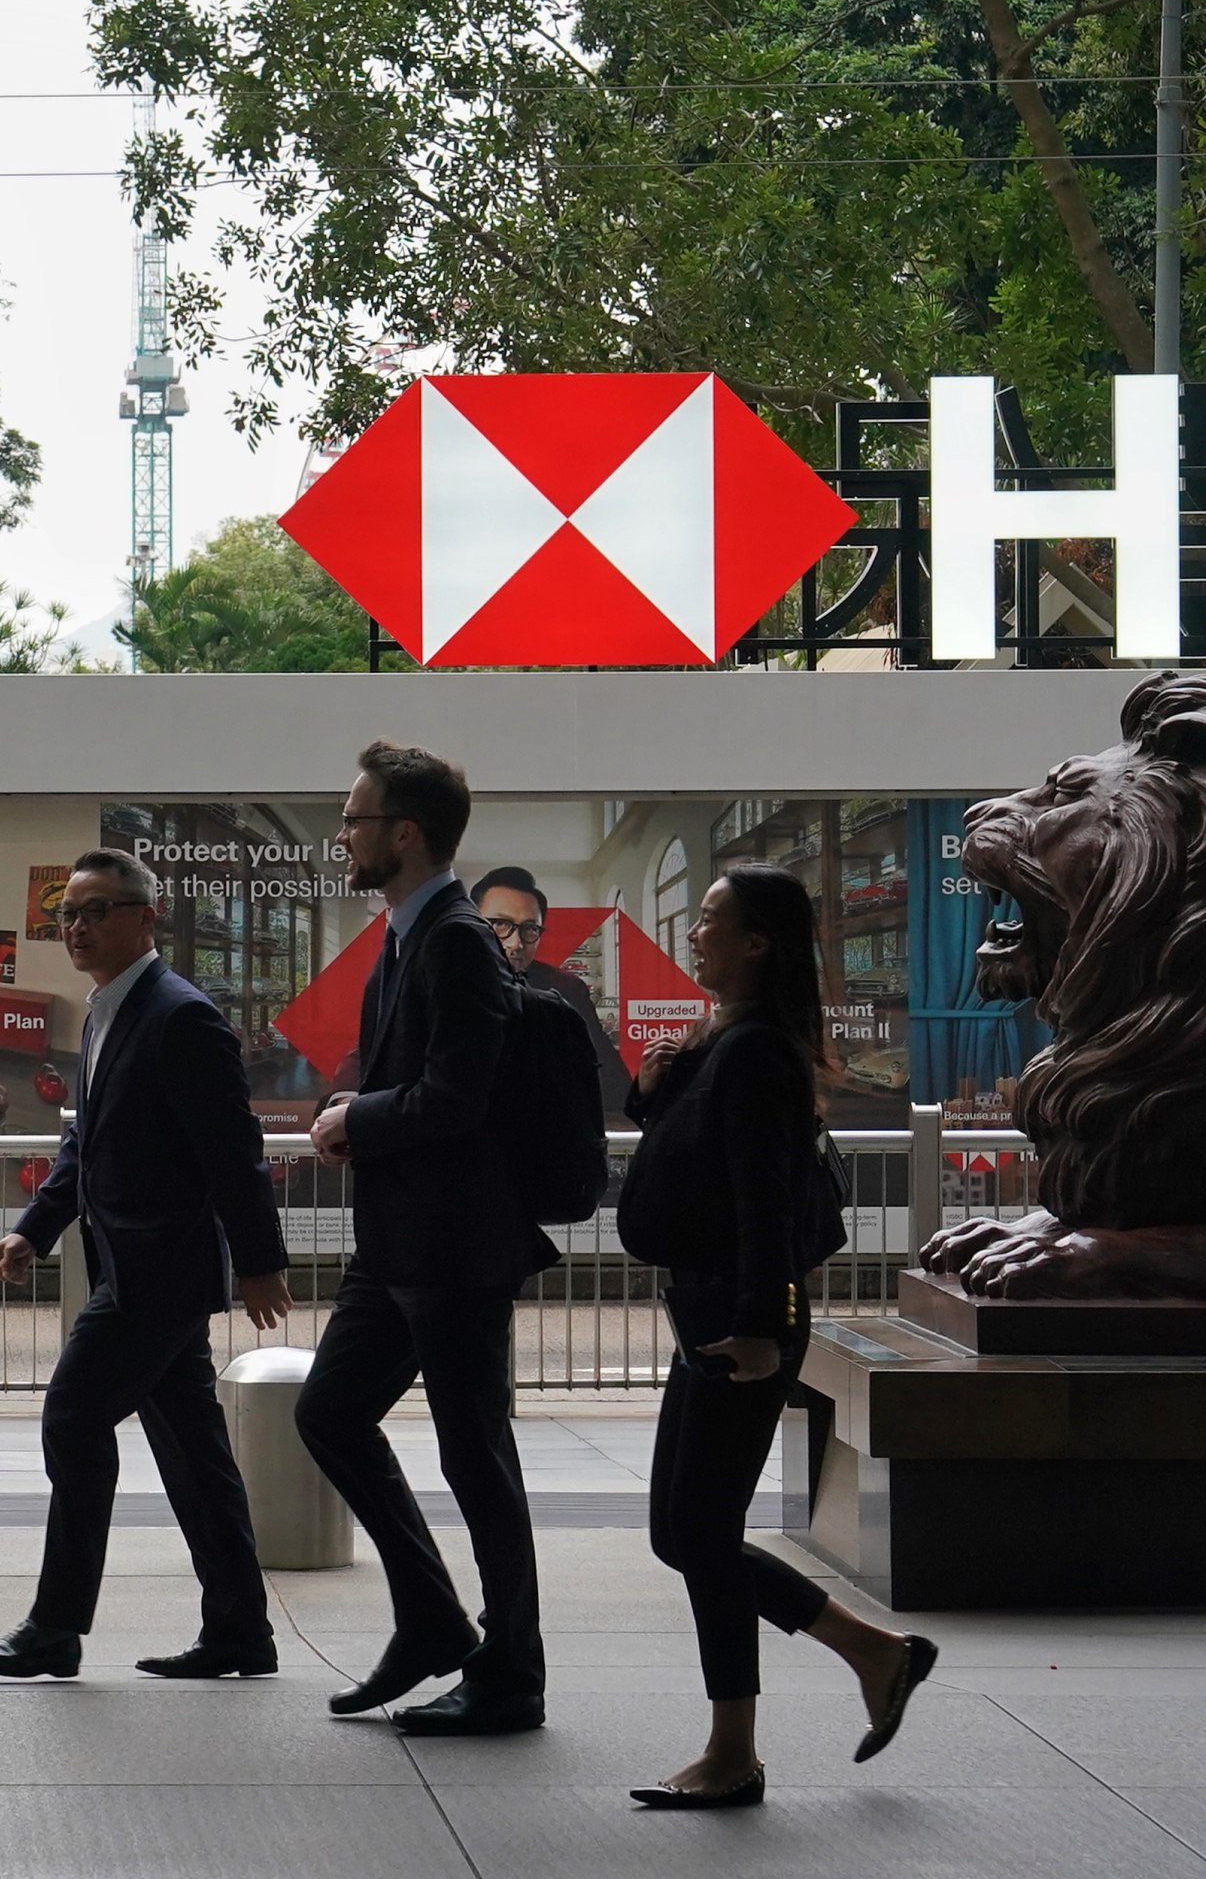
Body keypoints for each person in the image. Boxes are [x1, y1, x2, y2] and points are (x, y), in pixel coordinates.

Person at [618, 862, 938, 1808]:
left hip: (739, 1321)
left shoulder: (757, 1052)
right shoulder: (731, 1040)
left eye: (710, 919)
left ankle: (739, 1747)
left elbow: (763, 1207)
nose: (693, 932)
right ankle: (868, 1655)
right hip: (710, 1314)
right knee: (682, 1533)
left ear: (756, 942)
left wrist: (760, 1330)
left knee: (697, 1533)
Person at [0, 849, 296, 1683]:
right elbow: (86, 1141)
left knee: (72, 1419)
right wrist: (35, 1228)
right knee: (194, 1454)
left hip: (157, 1271)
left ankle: (55, 1626)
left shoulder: (179, 1014)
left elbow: (233, 1151)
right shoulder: (105, 1009)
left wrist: (258, 1262)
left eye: (96, 910)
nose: (76, 926)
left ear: (145, 918)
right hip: (134, 1265)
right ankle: (240, 1632)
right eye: (67, 913)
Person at [293, 741, 556, 1736]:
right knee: (329, 1412)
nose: (345, 835)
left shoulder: (451, 937)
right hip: (399, 1239)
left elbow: (459, 1093)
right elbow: (390, 1062)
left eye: (356, 819)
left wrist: (357, 1122)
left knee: (476, 1455)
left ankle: (511, 1672)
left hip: (453, 1245)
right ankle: (436, 1621)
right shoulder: (408, 930)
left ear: (404, 832)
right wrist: (347, 1103)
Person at [474, 865, 630, 1111]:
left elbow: (608, 1080)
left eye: (529, 929)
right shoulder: (441, 984)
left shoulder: (566, 988)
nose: (516, 944)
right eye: (500, 925)